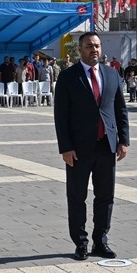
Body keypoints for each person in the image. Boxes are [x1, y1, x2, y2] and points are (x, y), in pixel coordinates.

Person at [54, 31, 130, 261]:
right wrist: (65, 147)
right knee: (77, 197)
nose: (94, 49)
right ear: (80, 49)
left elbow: (120, 109)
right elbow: (61, 115)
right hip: (78, 149)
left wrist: (124, 140)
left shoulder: (111, 74)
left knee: (105, 196)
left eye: (97, 45)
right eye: (89, 46)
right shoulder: (69, 77)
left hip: (106, 146)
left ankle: (101, 241)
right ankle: (80, 242)